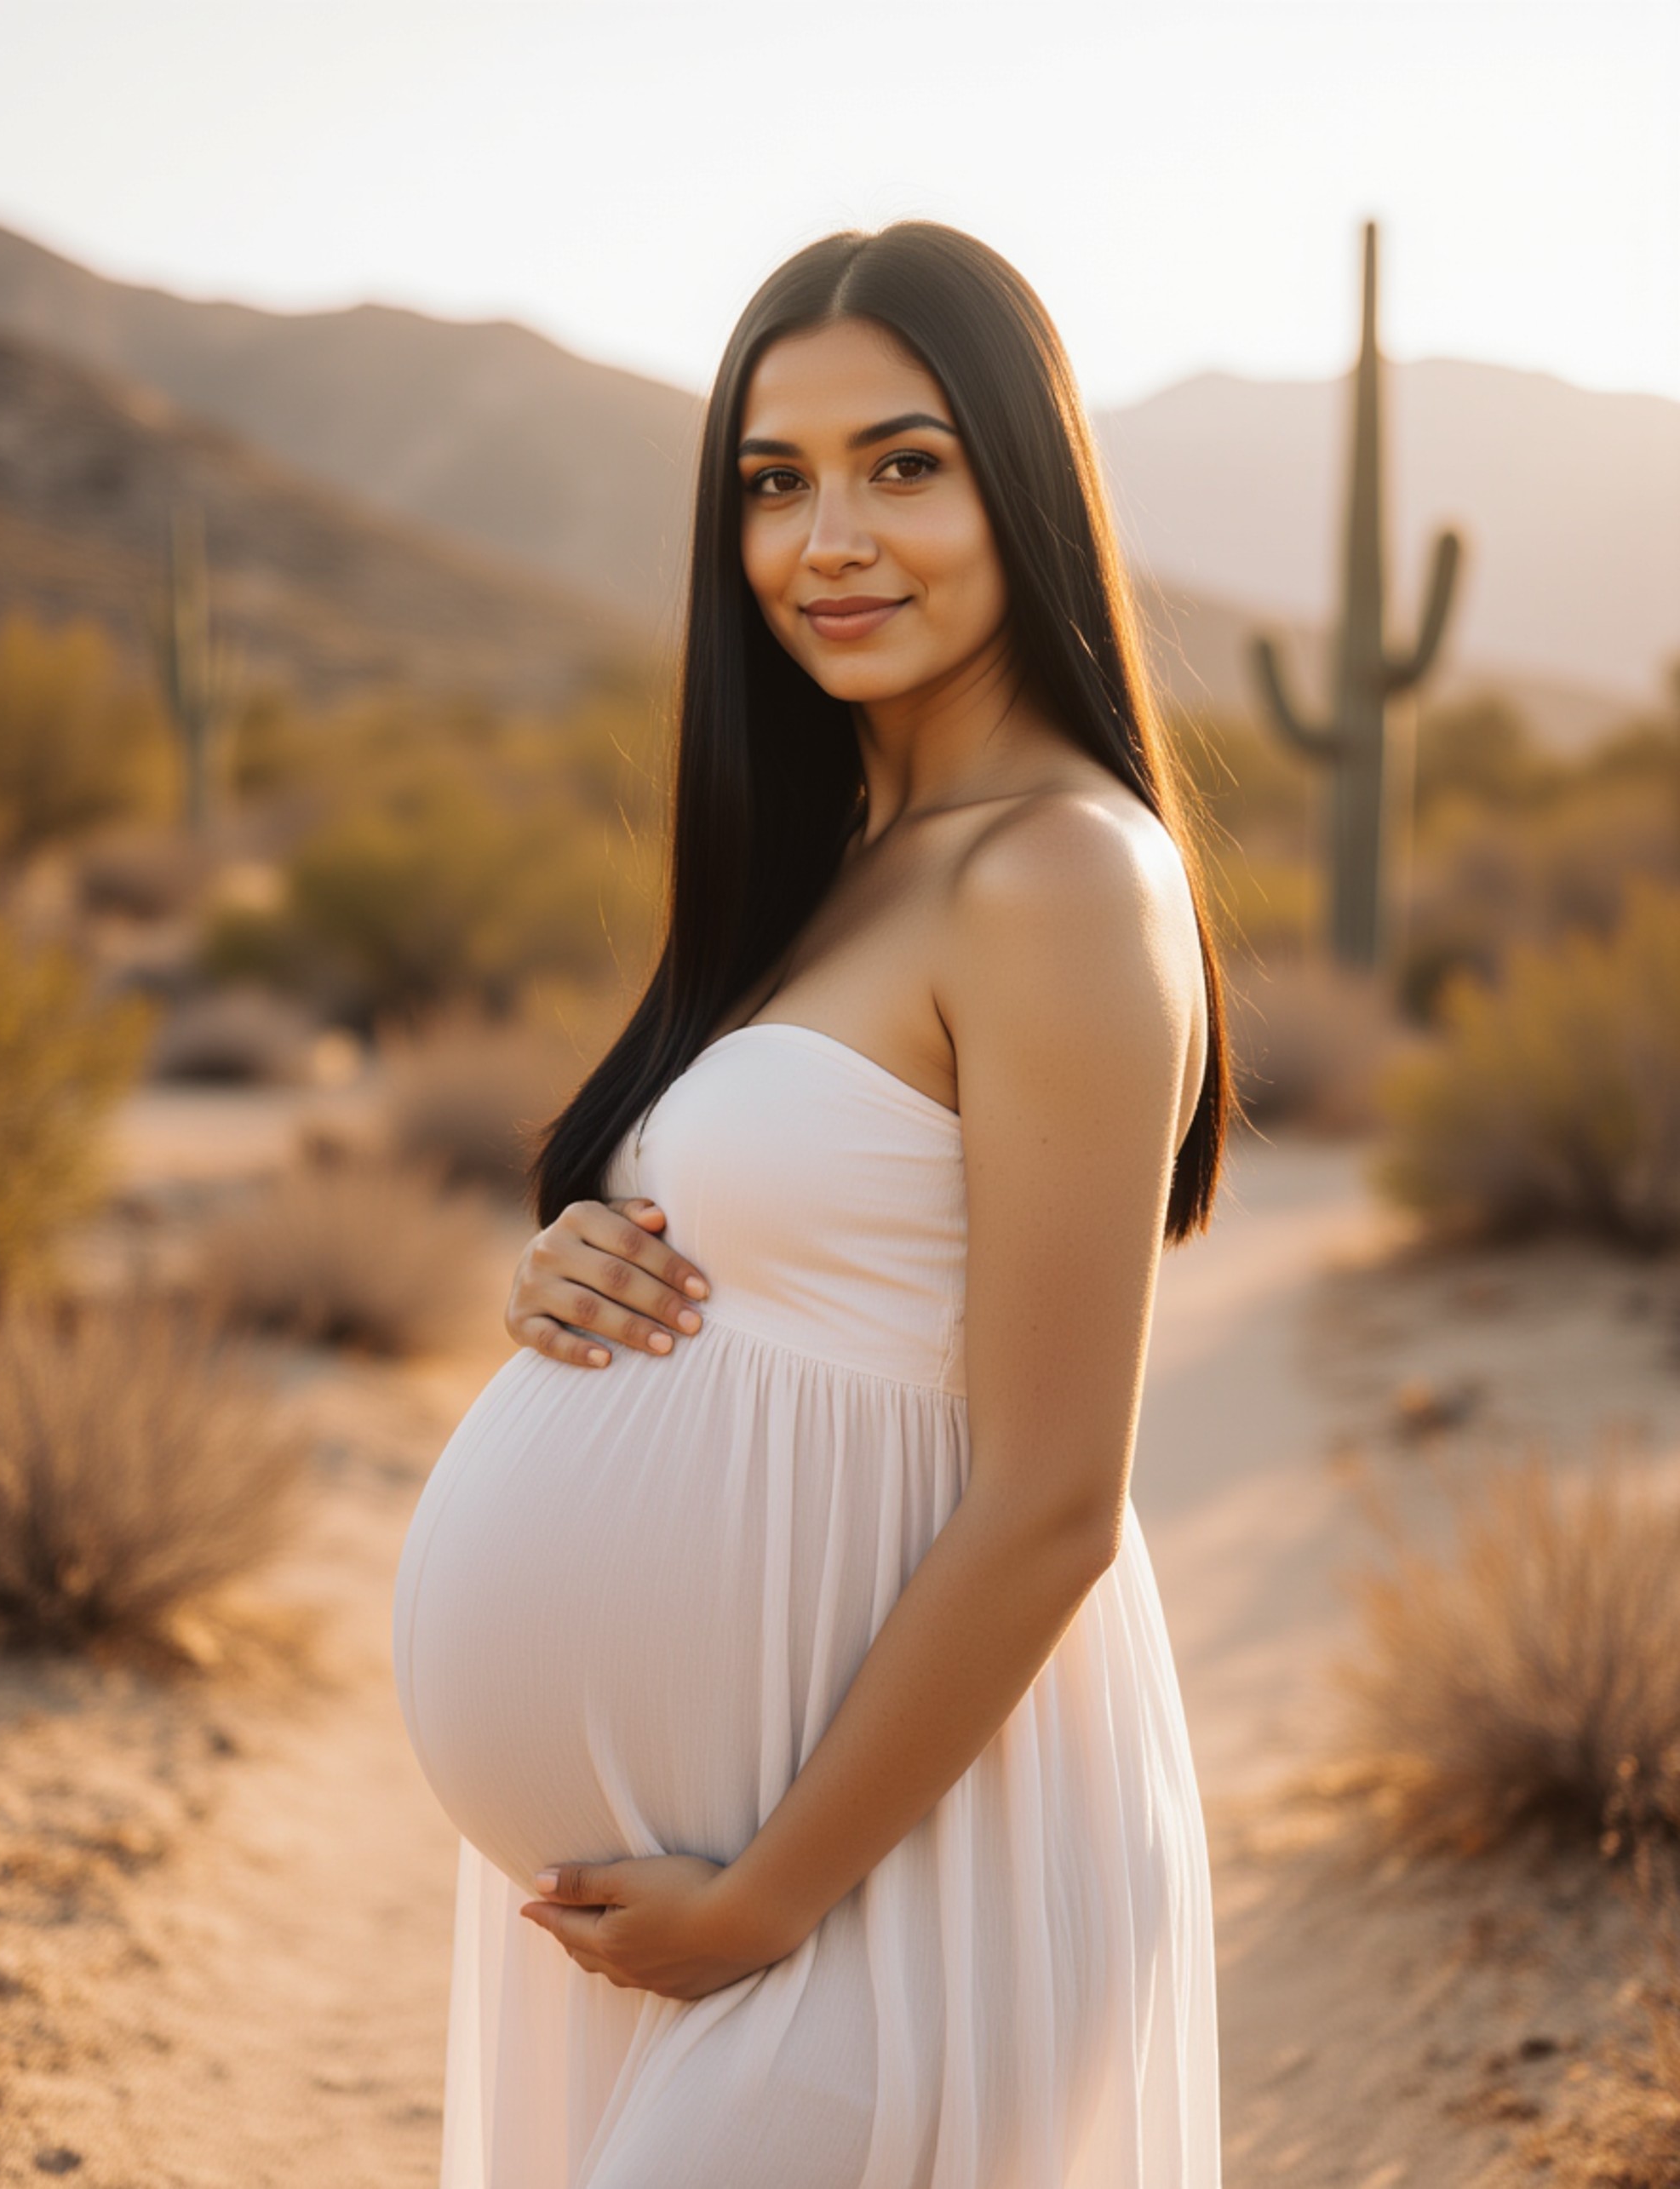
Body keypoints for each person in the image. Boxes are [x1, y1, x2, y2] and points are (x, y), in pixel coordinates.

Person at [393, 218, 1237, 2189]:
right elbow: (813, 1253)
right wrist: (577, 1257)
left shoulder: (1054, 876)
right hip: (755, 1860)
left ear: (1021, 478)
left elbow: (1052, 1495)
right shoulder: (860, 863)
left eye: (902, 463)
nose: (827, 537)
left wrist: (766, 1897)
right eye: (774, 484)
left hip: (893, 1859)